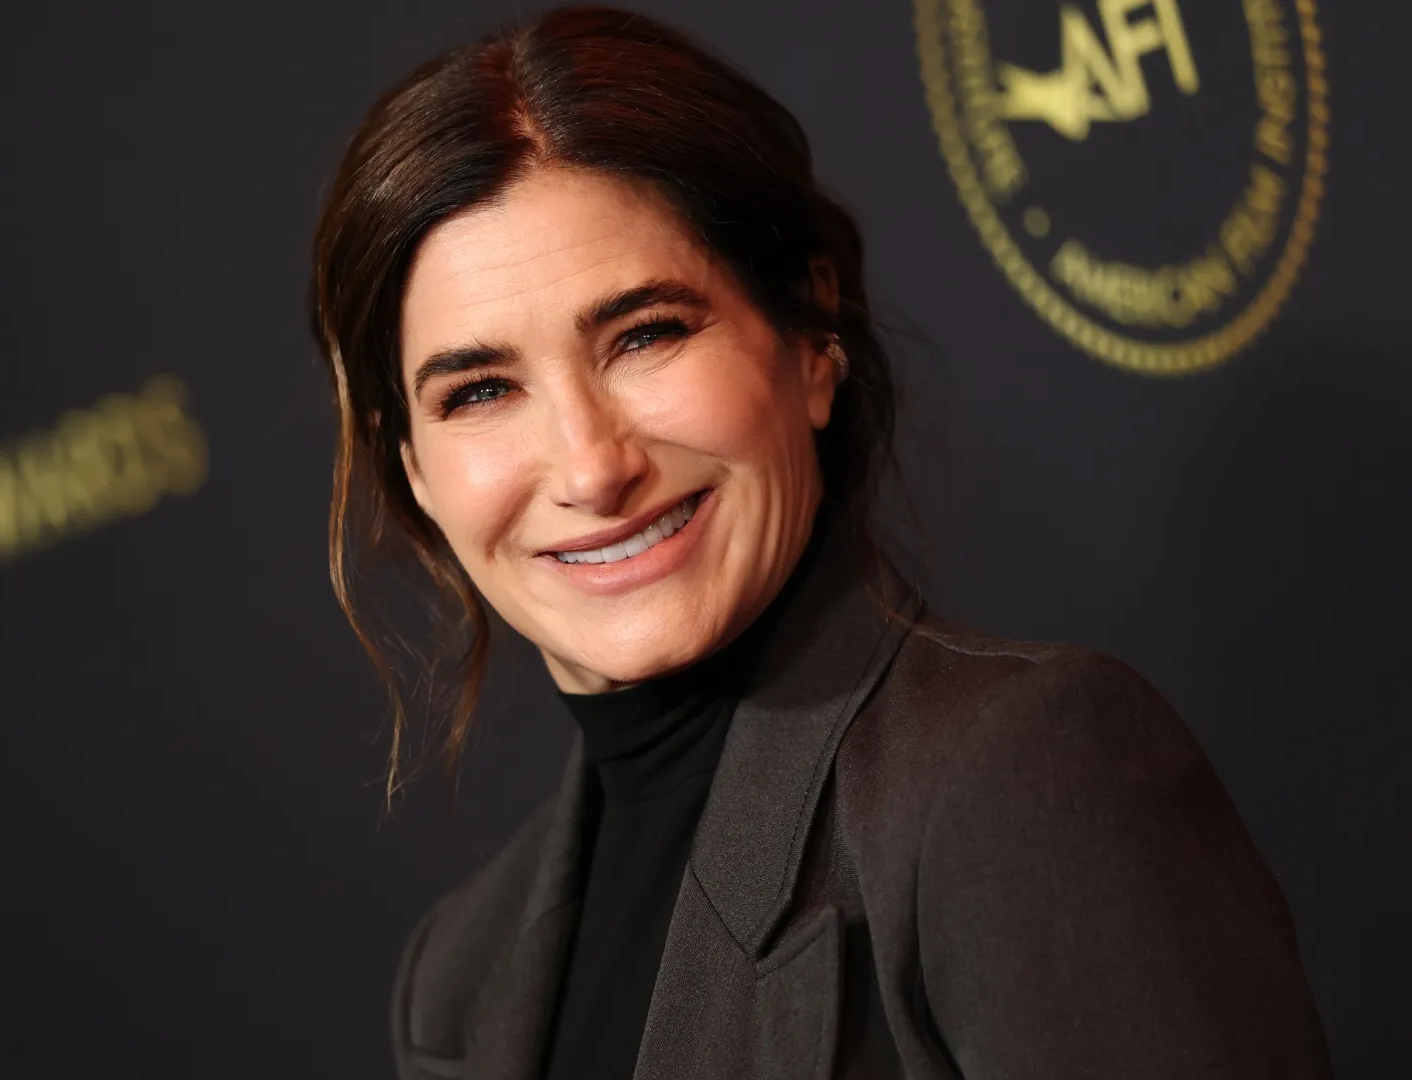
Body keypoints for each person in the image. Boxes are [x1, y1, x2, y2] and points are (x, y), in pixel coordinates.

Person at [306, 7, 1331, 1078]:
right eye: (480, 391)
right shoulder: (457, 983)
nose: (590, 467)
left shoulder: (1016, 782)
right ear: (414, 467)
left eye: (645, 333)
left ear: (808, 335)